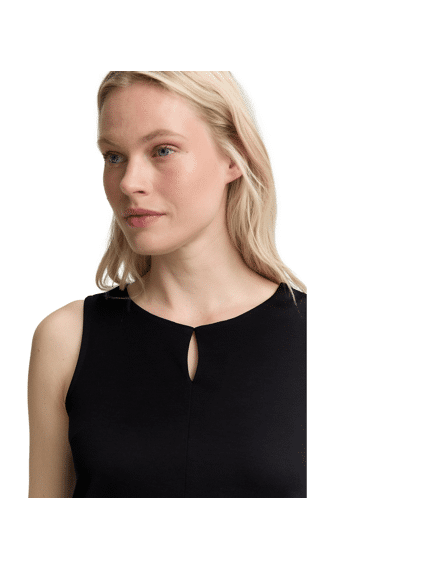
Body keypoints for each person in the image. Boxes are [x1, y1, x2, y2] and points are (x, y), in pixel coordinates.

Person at [28, 71, 307, 498]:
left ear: (234, 156)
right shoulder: (66, 339)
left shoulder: (315, 337)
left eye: (162, 150)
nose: (129, 182)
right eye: (114, 156)